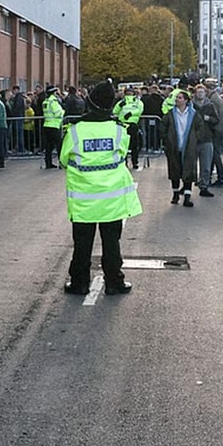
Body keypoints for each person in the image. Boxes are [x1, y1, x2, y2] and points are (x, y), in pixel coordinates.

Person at [61, 81, 142, 296]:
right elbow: (122, 154)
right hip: (112, 200)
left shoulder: (75, 130)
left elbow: (63, 159)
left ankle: (79, 283)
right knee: (111, 243)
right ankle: (114, 282)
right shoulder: (118, 131)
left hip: (84, 200)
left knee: (82, 244)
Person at [164, 88, 205, 207]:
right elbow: (163, 127)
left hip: (189, 146)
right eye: (176, 98)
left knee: (189, 171)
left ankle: (187, 197)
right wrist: (167, 139)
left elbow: (200, 127)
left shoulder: (193, 114)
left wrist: (195, 138)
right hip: (174, 146)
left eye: (180, 98)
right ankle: (175, 194)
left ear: (186, 100)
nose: (177, 99)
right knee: (175, 170)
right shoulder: (171, 114)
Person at [191, 84, 222, 197]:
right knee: (190, 164)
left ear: (205, 93)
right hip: (193, 138)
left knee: (206, 165)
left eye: (202, 92)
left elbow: (216, 119)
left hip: (207, 137)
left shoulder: (210, 106)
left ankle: (204, 186)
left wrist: (208, 118)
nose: (200, 94)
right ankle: (188, 186)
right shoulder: (190, 105)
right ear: (194, 93)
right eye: (198, 92)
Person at [113, 85, 144, 170]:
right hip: (122, 125)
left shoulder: (137, 101)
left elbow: (140, 110)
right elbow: (115, 111)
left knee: (134, 145)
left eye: (130, 92)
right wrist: (120, 106)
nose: (129, 94)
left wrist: (130, 113)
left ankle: (135, 162)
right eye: (127, 92)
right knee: (123, 145)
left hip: (133, 125)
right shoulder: (122, 102)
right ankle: (124, 162)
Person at [42, 87, 65, 169]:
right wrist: (63, 111)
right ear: (54, 93)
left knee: (49, 146)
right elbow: (58, 113)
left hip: (46, 125)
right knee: (59, 146)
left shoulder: (46, 101)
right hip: (55, 126)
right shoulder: (53, 101)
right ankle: (61, 163)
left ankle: (48, 163)